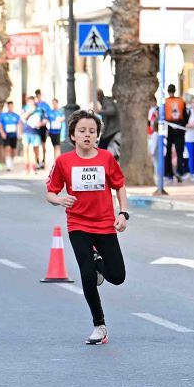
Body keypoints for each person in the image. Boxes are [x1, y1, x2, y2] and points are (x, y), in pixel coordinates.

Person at [45, 109, 129, 345]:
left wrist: (123, 213)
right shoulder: (64, 161)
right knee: (87, 276)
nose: (87, 135)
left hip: (104, 224)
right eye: (82, 131)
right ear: (72, 135)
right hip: (78, 224)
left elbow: (119, 186)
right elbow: (50, 193)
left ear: (97, 135)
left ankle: (97, 261)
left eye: (92, 131)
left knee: (118, 276)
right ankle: (99, 325)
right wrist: (60, 199)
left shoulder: (106, 159)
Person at [163, 84, 187, 182]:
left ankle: (168, 173)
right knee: (179, 152)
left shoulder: (165, 102)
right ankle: (179, 172)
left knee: (168, 152)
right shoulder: (181, 101)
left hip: (169, 129)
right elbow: (185, 116)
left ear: (168, 91)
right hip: (180, 128)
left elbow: (162, 116)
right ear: (175, 90)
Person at [0, 100, 22, 172]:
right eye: (9, 106)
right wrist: (2, 133)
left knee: (13, 150)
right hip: (7, 134)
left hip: (14, 135)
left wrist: (19, 133)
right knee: (7, 149)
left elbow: (19, 125)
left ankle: (12, 161)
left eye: (11, 106)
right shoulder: (3, 116)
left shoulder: (16, 116)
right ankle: (8, 164)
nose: (10, 107)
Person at [96, 89, 120, 155]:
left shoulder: (106, 102)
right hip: (110, 130)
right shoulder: (105, 102)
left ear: (99, 95)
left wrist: (99, 111)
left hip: (112, 130)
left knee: (102, 146)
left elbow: (112, 111)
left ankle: (101, 160)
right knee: (102, 146)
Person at [46, 98, 65, 164]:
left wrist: (61, 119)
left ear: (57, 103)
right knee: (54, 146)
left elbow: (63, 118)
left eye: (55, 103)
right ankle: (56, 160)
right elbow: (46, 119)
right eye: (52, 103)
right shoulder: (50, 112)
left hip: (58, 132)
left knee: (57, 147)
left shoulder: (60, 112)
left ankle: (57, 161)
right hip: (51, 132)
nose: (53, 105)